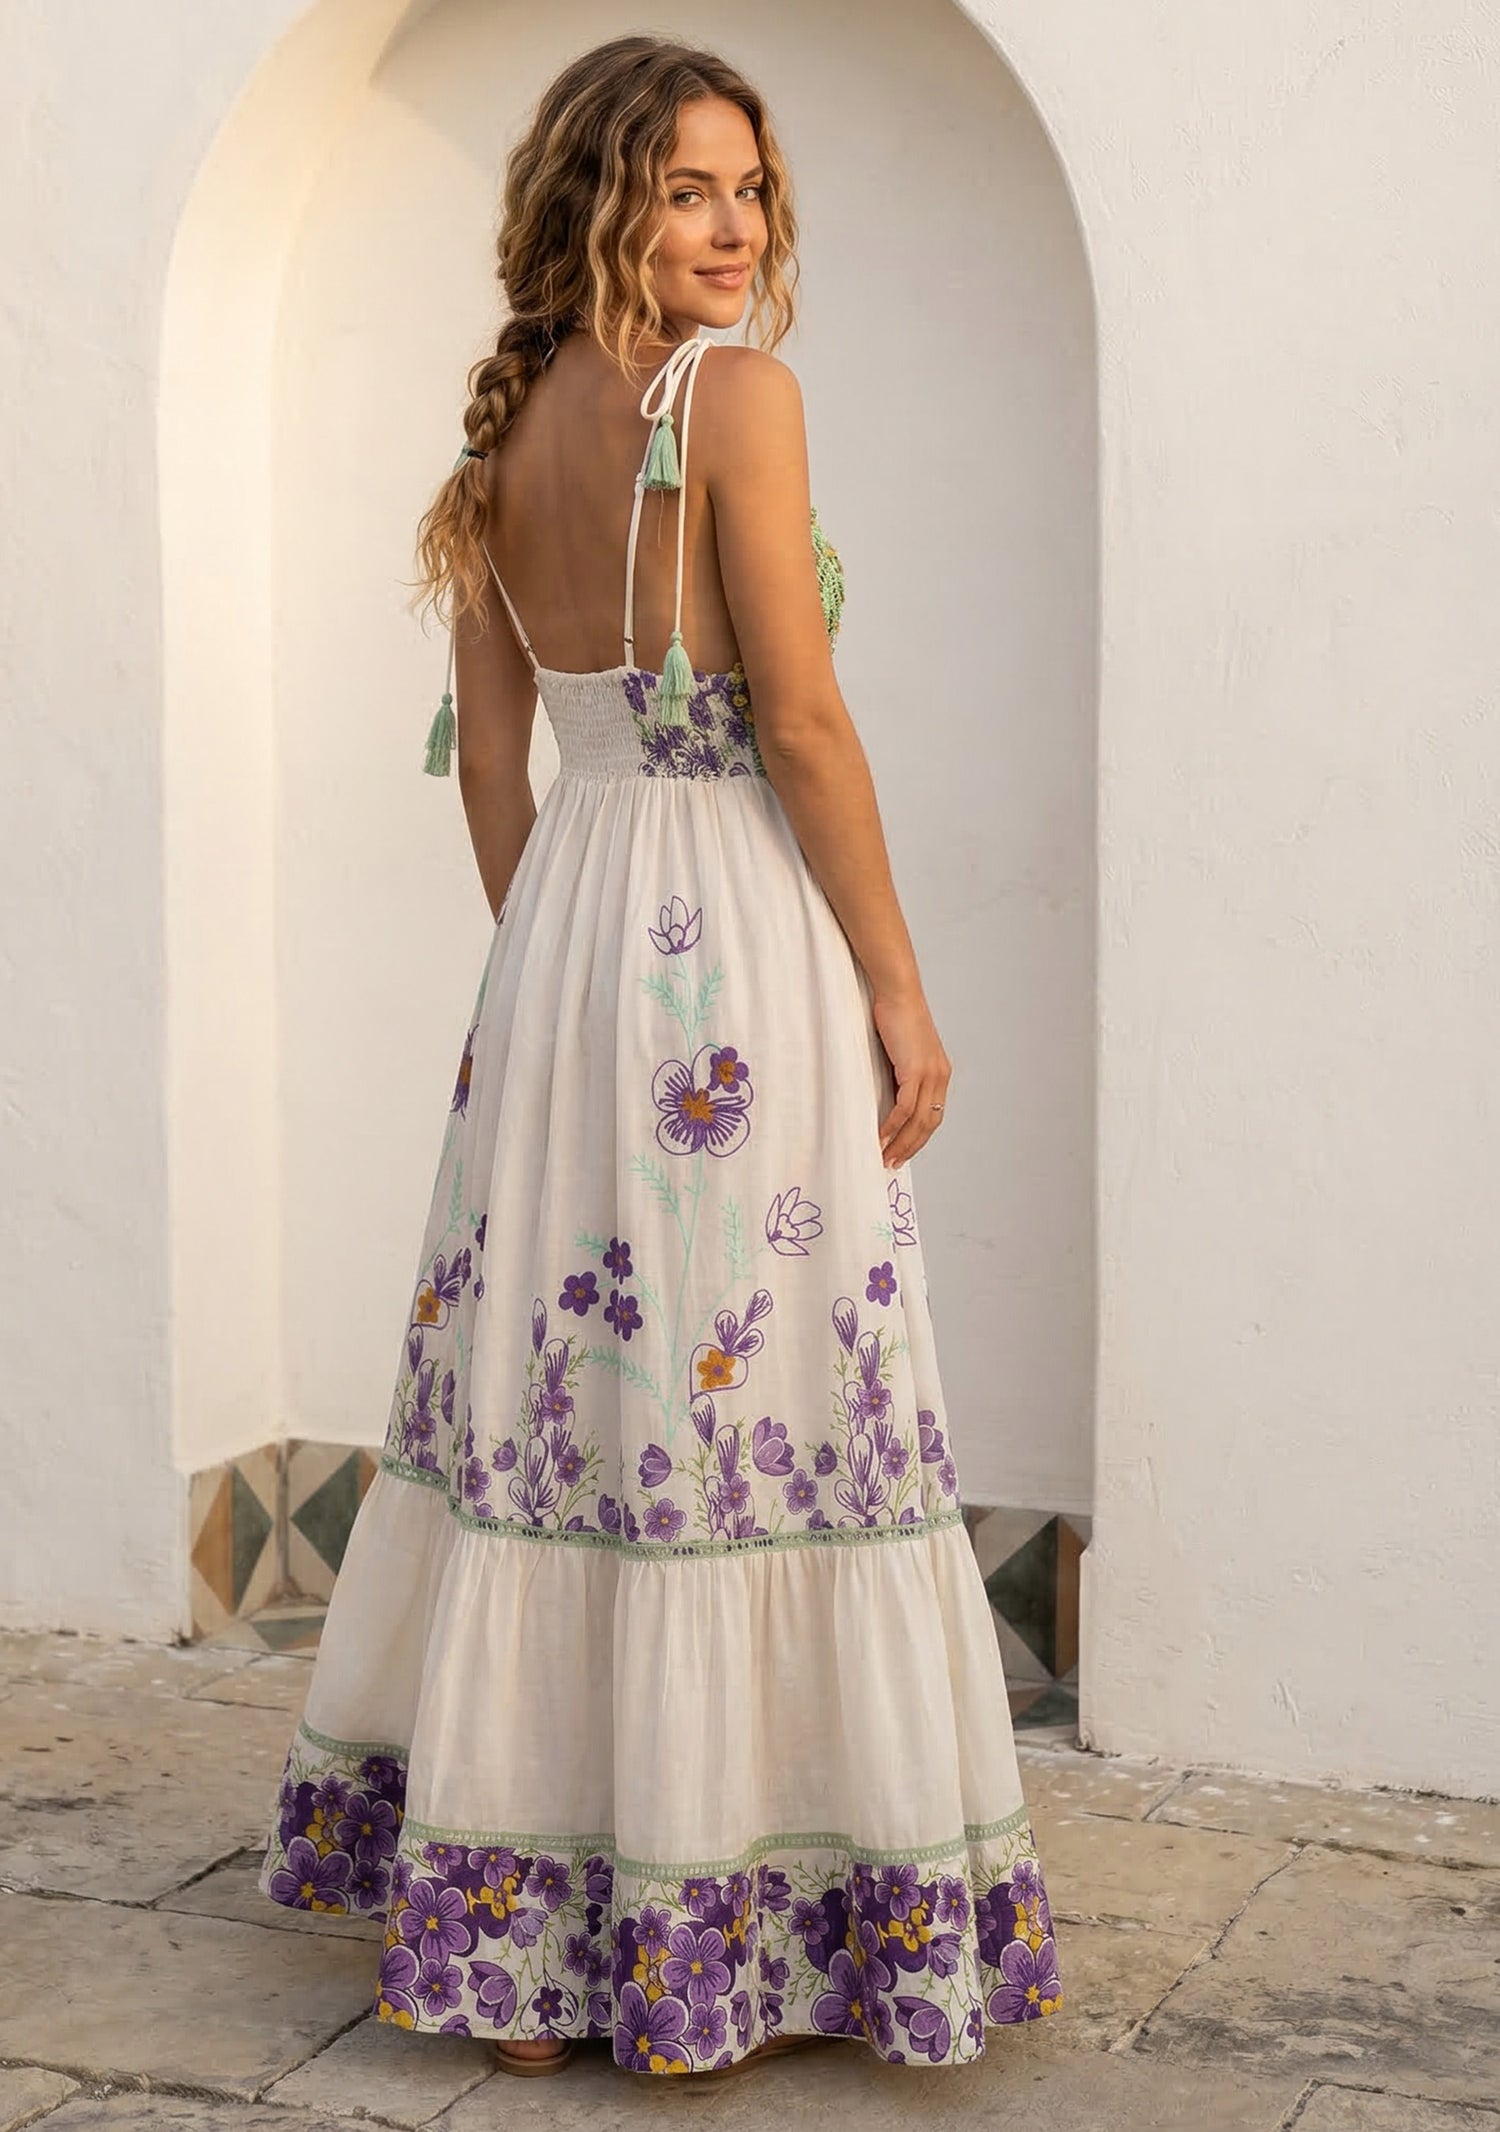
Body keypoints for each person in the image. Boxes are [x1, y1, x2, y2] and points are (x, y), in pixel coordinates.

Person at [258, 29, 1062, 2081]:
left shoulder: (501, 436)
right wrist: (896, 984)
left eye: (751, 188)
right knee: (740, 1398)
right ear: (603, 201)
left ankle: (525, 1961)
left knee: (566, 1415)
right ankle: (702, 1950)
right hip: (736, 947)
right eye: (689, 187)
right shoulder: (739, 397)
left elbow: (495, 768)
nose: (736, 227)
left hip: (569, 942)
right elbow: (800, 720)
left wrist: (557, 968)